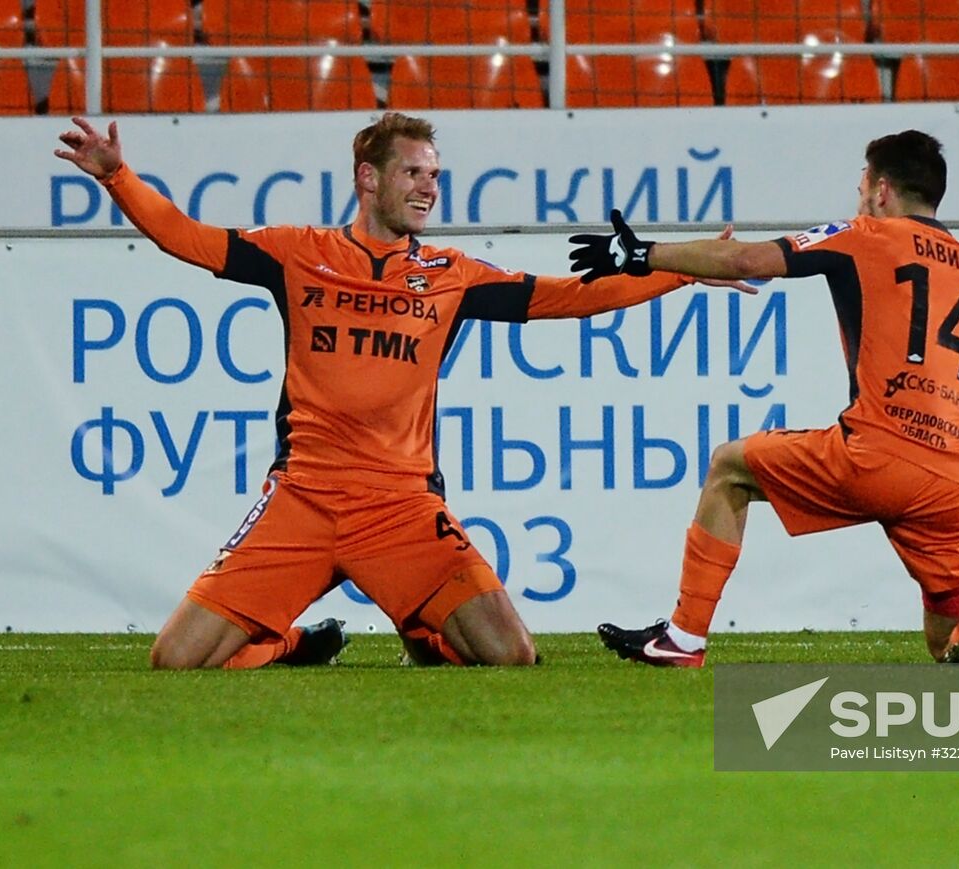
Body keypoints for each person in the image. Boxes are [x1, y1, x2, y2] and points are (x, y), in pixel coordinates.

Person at [55, 112, 745, 670]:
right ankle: (292, 645)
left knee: (510, 655)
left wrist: (679, 272)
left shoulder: (452, 274)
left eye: (435, 175)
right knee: (176, 661)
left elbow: (563, 297)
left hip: (401, 507)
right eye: (413, 172)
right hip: (303, 497)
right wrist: (118, 177)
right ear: (368, 177)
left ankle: (421, 628)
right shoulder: (298, 253)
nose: (428, 187)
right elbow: (191, 239)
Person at [570, 131, 959, 666]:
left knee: (729, 467)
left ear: (880, 190)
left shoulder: (863, 234)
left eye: (861, 187)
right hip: (956, 481)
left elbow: (746, 262)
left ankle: (683, 639)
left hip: (874, 455)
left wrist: (641, 254)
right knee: (949, 647)